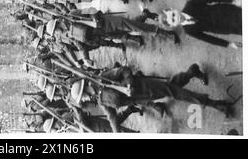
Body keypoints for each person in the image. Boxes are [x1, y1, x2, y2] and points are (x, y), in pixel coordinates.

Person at [71, 63, 235, 118]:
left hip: (145, 86)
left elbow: (125, 70)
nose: (84, 101)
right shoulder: (100, 101)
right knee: (173, 86)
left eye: (82, 97)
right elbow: (112, 117)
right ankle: (192, 71)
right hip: (144, 99)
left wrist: (129, 85)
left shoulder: (103, 78)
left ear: (85, 89)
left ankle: (217, 104)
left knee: (177, 94)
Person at [159, 0, 242, 49]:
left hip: (229, 11)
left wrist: (232, 0)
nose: (177, 18)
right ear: (173, 25)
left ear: (173, 9)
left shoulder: (190, 5)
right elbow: (208, 39)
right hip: (227, 28)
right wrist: (228, 44)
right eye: (173, 20)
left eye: (173, 14)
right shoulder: (189, 31)